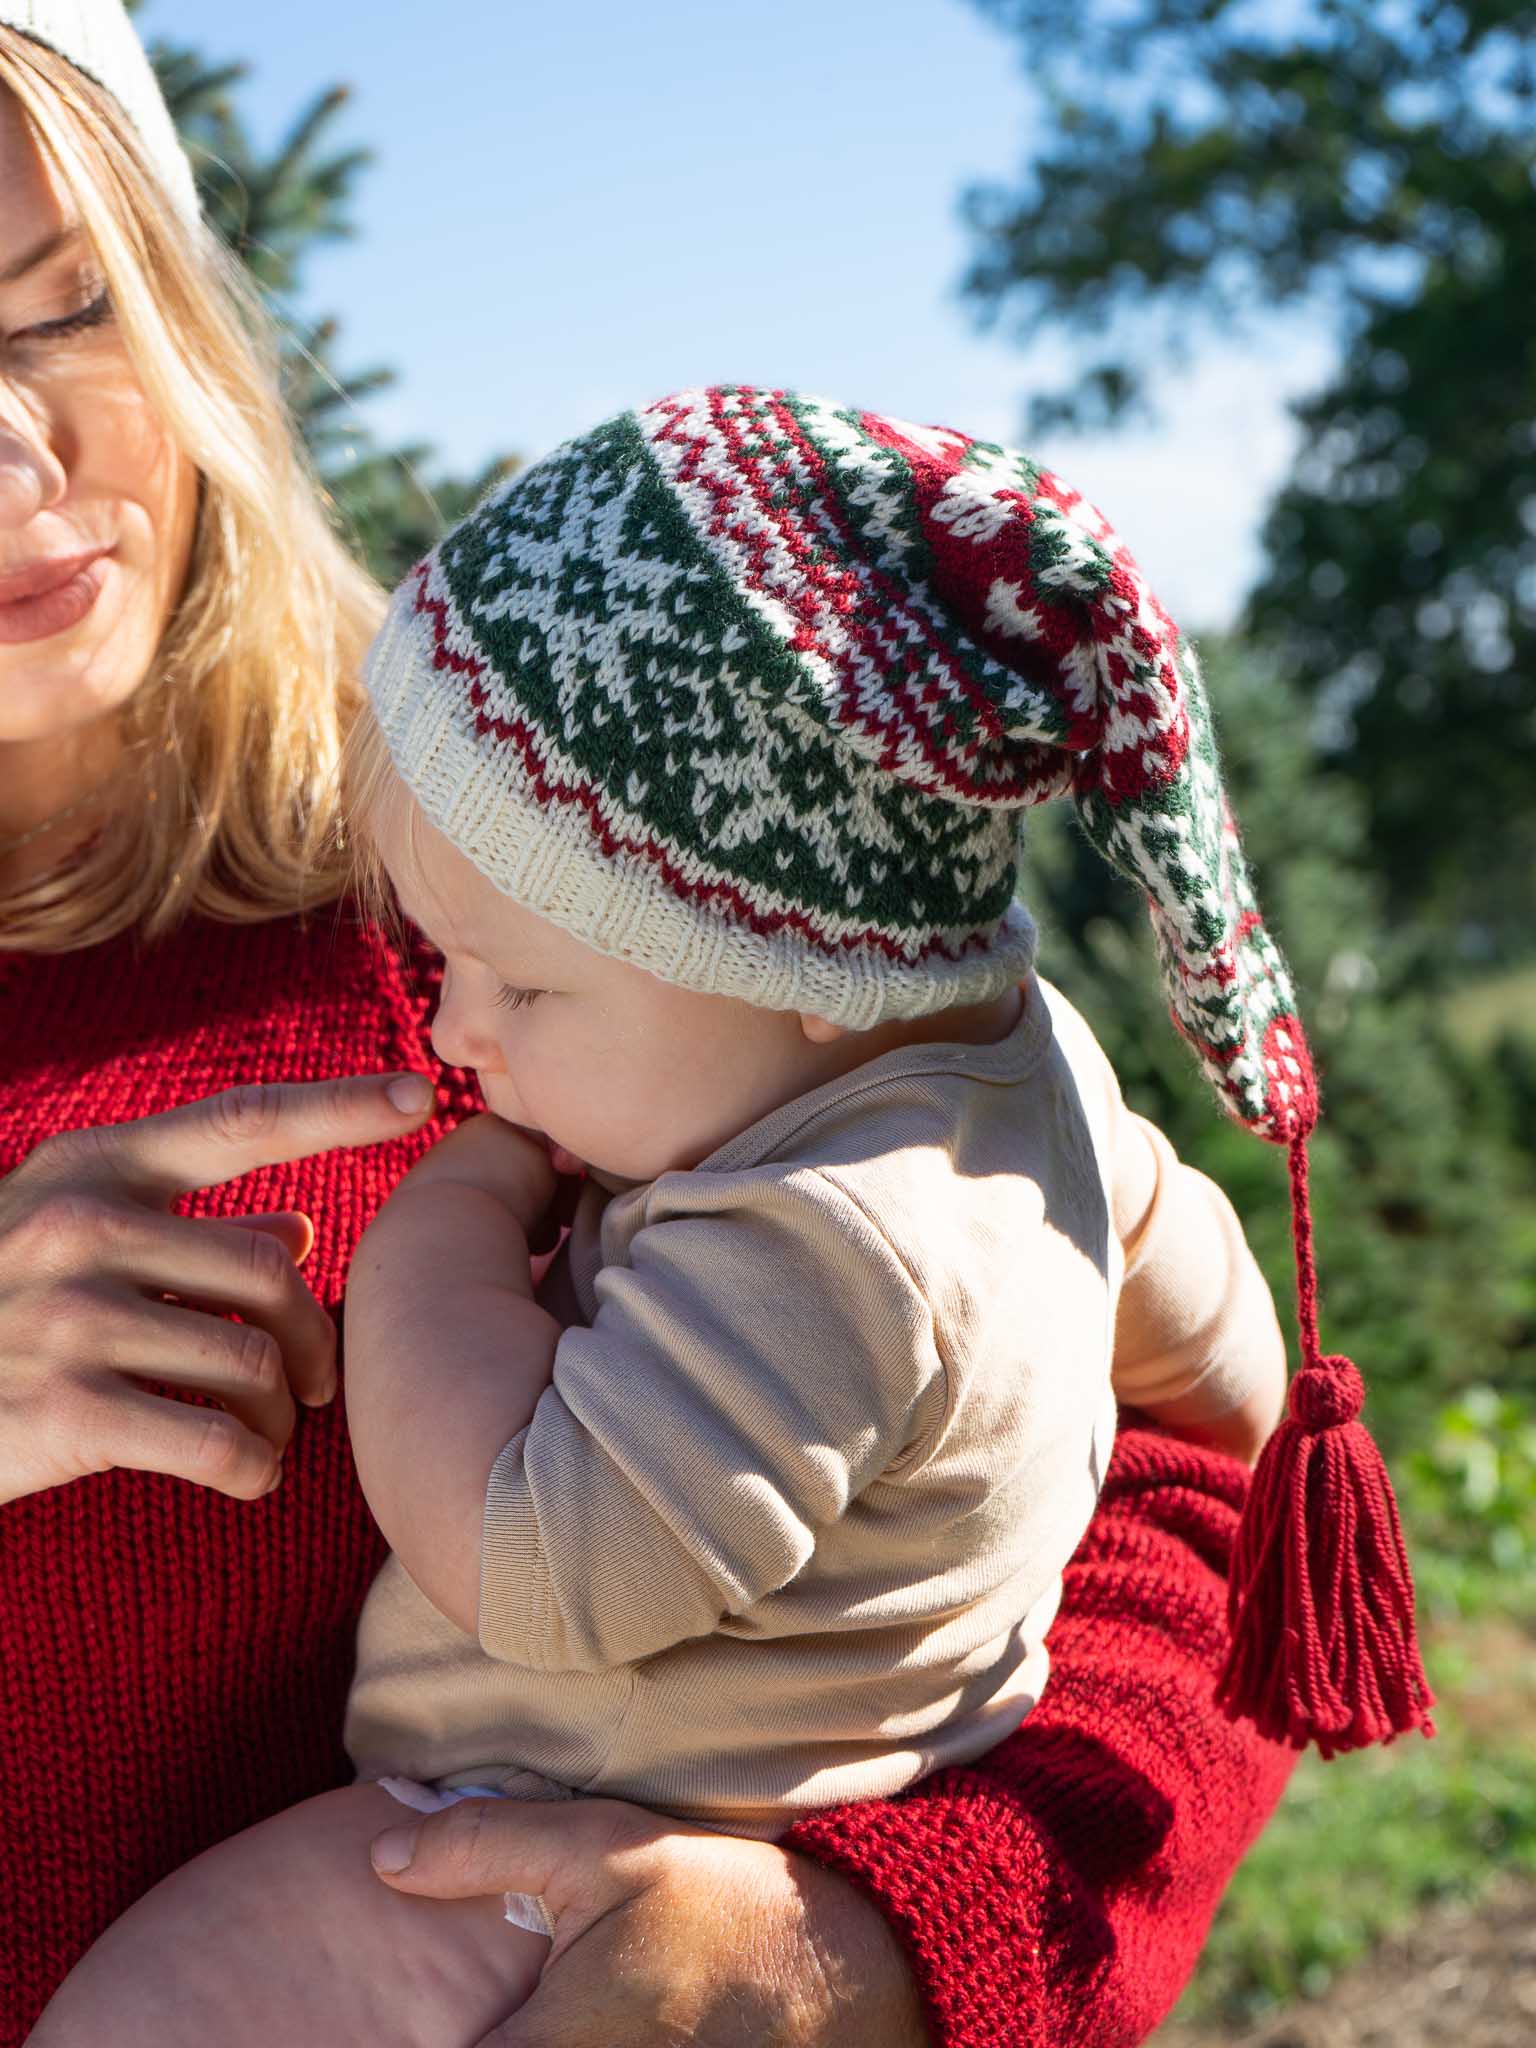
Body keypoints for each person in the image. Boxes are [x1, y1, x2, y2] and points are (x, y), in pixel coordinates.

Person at [0, 5, 1395, 2044]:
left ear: (188, 296)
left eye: (60, 314)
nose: (17, 458)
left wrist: (853, 1951)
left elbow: (1153, 1465)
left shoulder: (558, 853)